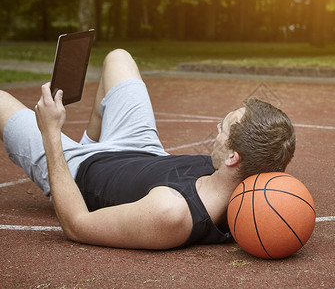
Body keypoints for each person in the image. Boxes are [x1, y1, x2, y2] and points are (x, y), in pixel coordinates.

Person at [0, 49, 296, 250]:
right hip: (143, 150)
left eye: (224, 127)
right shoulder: (244, 173)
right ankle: (91, 140)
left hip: (80, 170)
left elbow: (77, 226)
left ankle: (79, 149)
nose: (216, 129)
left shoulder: (171, 213)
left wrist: (51, 132)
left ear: (234, 157)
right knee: (118, 57)